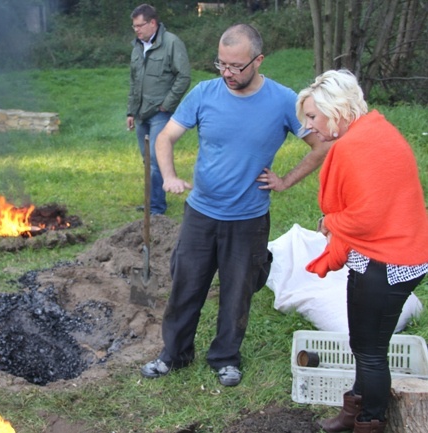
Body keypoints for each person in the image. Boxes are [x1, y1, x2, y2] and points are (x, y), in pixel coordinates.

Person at [139, 23, 329, 386]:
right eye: (221, 64)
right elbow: (165, 138)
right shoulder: (204, 93)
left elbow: (321, 145)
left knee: (237, 291)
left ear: (258, 61)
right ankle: (174, 354)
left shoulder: (282, 100)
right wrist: (168, 176)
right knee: (186, 286)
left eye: (235, 66)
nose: (226, 72)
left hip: (249, 219)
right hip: (201, 213)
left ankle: (225, 357)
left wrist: (286, 180)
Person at [298, 69, 428, 433]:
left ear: (336, 110)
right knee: (366, 345)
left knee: (369, 351)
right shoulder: (377, 131)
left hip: (386, 261)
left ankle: (369, 422)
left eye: (312, 116)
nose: (309, 126)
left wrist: (332, 223)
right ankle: (353, 412)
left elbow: (367, 216)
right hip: (402, 254)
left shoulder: (355, 147)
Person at [126, 4, 191, 215]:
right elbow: (134, 81)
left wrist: (167, 105)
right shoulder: (137, 46)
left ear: (152, 23)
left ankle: (156, 208)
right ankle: (151, 201)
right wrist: (131, 112)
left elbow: (184, 77)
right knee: (147, 160)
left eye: (140, 25)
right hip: (141, 114)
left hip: (160, 114)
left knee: (156, 159)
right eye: (134, 26)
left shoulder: (172, 43)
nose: (136, 30)